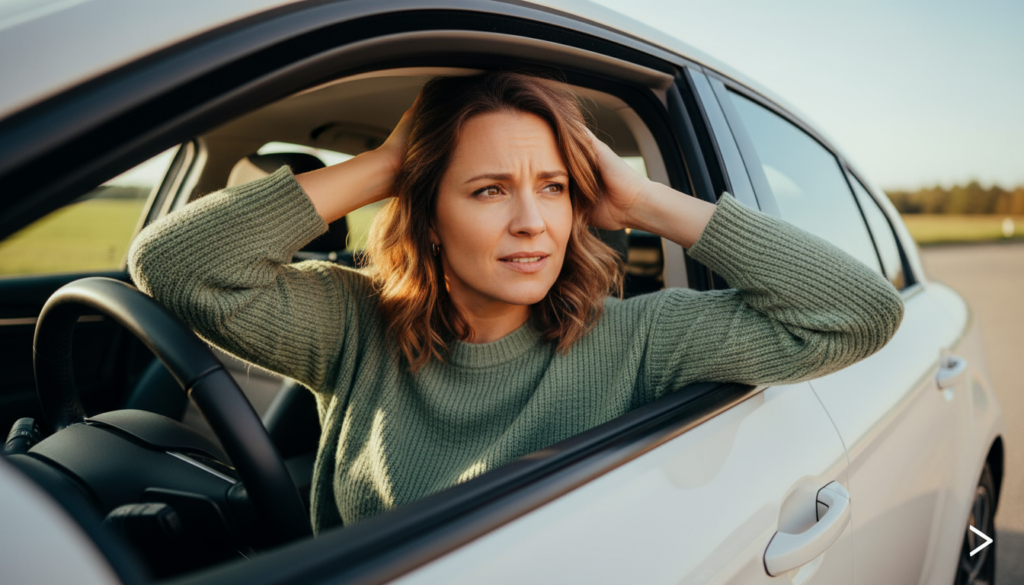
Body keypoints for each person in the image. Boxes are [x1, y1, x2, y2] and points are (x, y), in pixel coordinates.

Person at [128, 71, 904, 534]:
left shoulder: (636, 338)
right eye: (490, 189)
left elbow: (858, 312)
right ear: (428, 214)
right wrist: (389, 162)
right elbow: (171, 263)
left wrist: (642, 196)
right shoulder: (355, 322)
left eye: (555, 187)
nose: (533, 221)